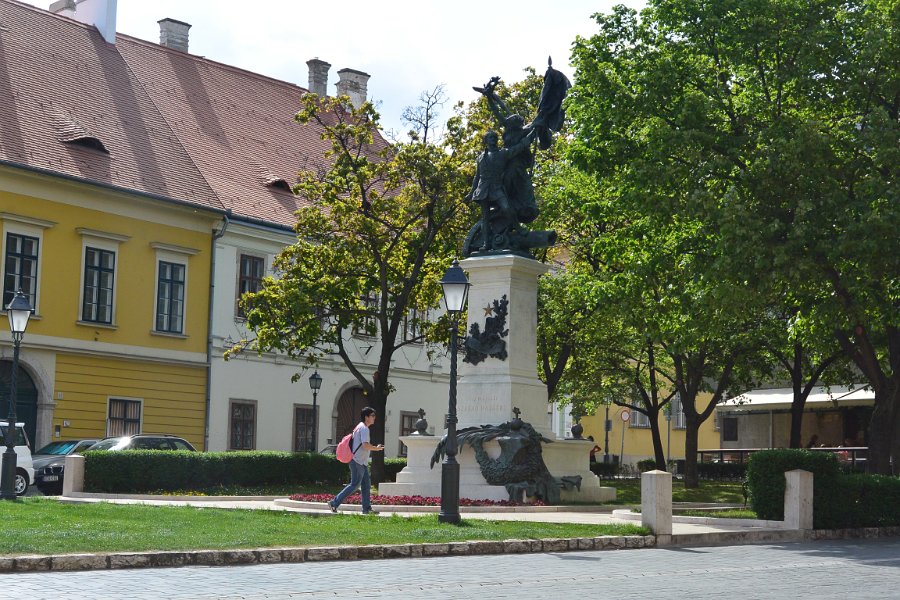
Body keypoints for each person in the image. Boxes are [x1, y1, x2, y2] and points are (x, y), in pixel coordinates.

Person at [329, 407, 384, 515]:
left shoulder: (360, 427)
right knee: (354, 484)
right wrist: (376, 448)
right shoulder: (364, 428)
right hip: (357, 461)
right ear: (366, 417)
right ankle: (334, 503)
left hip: (361, 462)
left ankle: (366, 508)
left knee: (366, 486)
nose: (374, 418)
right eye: (372, 415)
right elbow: (365, 445)